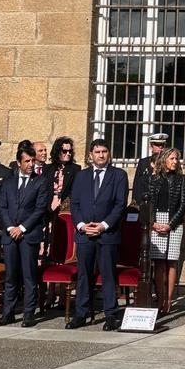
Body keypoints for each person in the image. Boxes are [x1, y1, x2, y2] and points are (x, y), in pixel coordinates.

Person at [68, 139, 128, 330]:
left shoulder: (118, 175)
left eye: (104, 151)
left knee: (108, 274)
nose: (101, 155)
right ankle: (81, 313)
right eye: (97, 152)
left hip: (106, 234)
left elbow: (120, 204)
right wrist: (81, 225)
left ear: (108, 154)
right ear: (90, 155)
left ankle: (111, 314)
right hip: (85, 234)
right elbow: (74, 203)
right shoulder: (81, 176)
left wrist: (103, 225)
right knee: (84, 274)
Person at [0, 142, 49, 327]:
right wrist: (11, 227)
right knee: (11, 276)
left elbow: (40, 208)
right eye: (26, 161)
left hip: (29, 235)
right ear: (19, 163)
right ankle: (8, 313)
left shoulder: (40, 181)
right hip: (10, 235)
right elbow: (2, 206)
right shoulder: (8, 182)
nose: (30, 164)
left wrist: (23, 228)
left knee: (28, 275)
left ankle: (29, 314)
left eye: (32, 161)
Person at [146, 146, 185, 314]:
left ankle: (169, 301)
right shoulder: (154, 179)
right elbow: (148, 202)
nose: (175, 162)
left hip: (174, 223)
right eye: (172, 158)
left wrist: (171, 224)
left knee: (171, 261)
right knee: (158, 262)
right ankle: (160, 297)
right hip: (157, 221)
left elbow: (183, 203)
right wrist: (153, 223)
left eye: (176, 159)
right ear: (164, 160)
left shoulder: (181, 179)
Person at [44, 136, 77, 214]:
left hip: (65, 208)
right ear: (58, 151)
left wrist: (63, 203)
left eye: (70, 151)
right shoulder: (47, 168)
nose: (68, 154)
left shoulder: (75, 169)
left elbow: (74, 191)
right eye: (65, 151)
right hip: (47, 206)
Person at [133, 133, 167, 205]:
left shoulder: (168, 163)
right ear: (151, 147)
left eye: (163, 145)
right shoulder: (143, 162)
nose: (160, 147)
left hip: (162, 204)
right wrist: (136, 202)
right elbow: (137, 185)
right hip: (145, 204)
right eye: (157, 145)